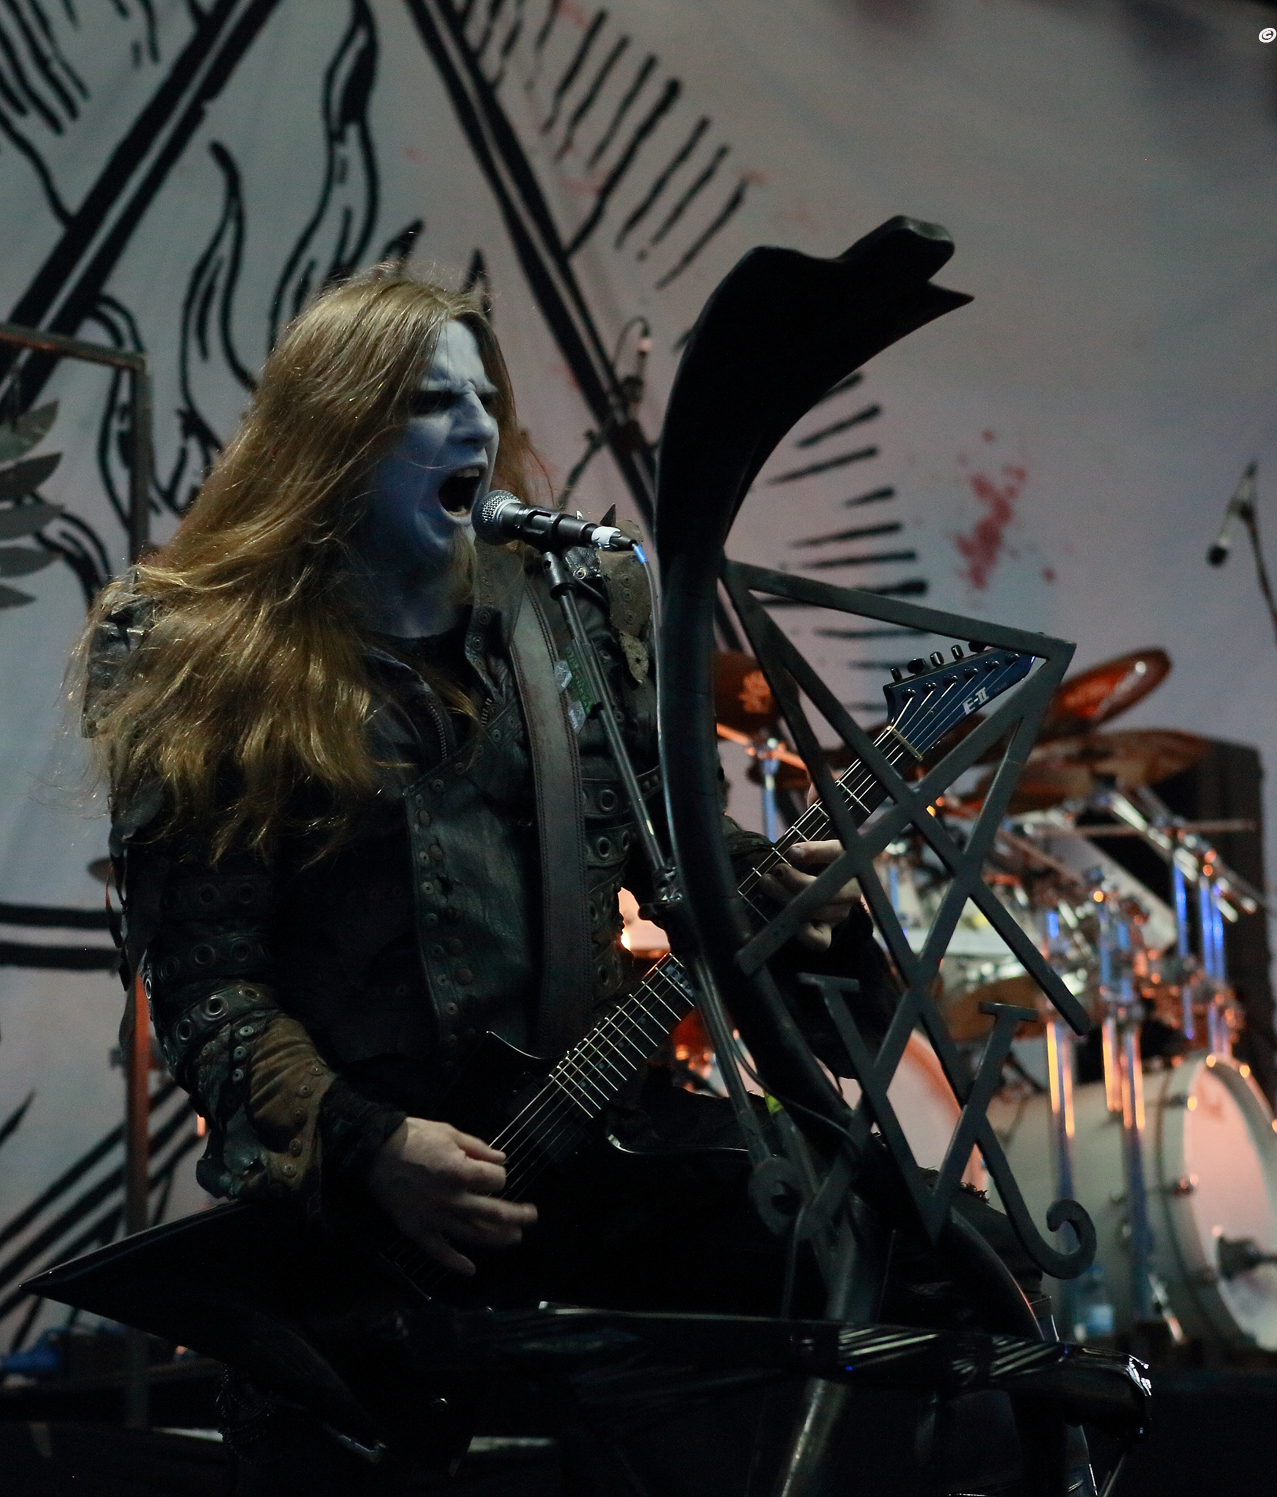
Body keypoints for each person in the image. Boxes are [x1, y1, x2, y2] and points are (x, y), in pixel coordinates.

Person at [77, 265, 890, 1492]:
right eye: (425, 401)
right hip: (366, 1233)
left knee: (897, 1252)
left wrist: (793, 901)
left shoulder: (567, 612)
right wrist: (369, 1145)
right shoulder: (201, 650)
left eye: (482, 397)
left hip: (590, 1158)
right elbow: (207, 988)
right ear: (334, 433)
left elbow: (674, 852)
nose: (474, 425)